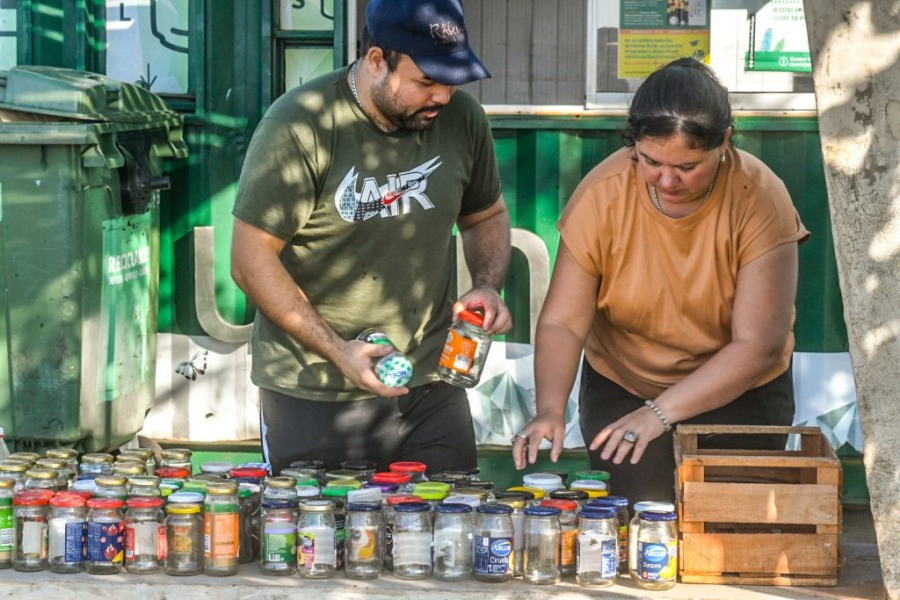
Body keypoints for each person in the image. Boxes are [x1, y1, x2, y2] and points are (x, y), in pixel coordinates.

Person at [231, 0, 512, 477]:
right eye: (427, 81)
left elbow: (486, 216)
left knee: (450, 519)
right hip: (316, 390)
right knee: (322, 525)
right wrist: (339, 351)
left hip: (431, 388)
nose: (443, 96)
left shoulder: (463, 119)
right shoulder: (299, 125)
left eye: (452, 81)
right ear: (377, 60)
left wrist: (487, 284)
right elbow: (249, 260)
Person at [511, 57, 810, 503]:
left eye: (687, 167)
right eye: (649, 161)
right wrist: (550, 409)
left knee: (725, 526)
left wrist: (659, 414)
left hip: (741, 391)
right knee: (639, 523)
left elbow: (757, 345)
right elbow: (563, 322)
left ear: (725, 141)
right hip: (624, 384)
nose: (667, 180)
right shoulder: (602, 193)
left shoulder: (761, 198)